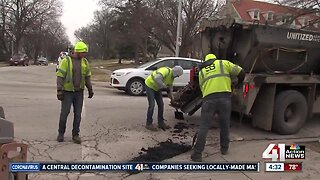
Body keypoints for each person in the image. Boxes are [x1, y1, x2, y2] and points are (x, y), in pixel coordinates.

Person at [191, 53, 245, 162]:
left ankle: (197, 154)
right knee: (224, 124)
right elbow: (241, 72)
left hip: (209, 100)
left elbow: (202, 88)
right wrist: (238, 84)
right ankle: (224, 148)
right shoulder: (223, 63)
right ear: (215, 58)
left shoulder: (202, 71)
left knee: (204, 126)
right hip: (225, 99)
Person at [56, 41, 94, 144]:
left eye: (85, 53)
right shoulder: (66, 61)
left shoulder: (85, 62)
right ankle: (61, 133)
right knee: (64, 113)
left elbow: (87, 77)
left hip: (79, 93)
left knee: (78, 115)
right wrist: (59, 90)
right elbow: (60, 76)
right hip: (67, 92)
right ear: (77, 51)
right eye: (83, 52)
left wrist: (90, 89)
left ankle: (75, 134)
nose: (84, 55)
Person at [144, 66, 184, 131]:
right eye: (177, 75)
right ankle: (148, 124)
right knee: (152, 105)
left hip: (157, 88)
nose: (177, 77)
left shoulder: (171, 78)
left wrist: (172, 99)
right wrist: (164, 86)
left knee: (161, 105)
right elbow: (157, 78)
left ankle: (161, 123)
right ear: (175, 73)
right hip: (150, 86)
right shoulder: (165, 71)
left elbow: (170, 90)